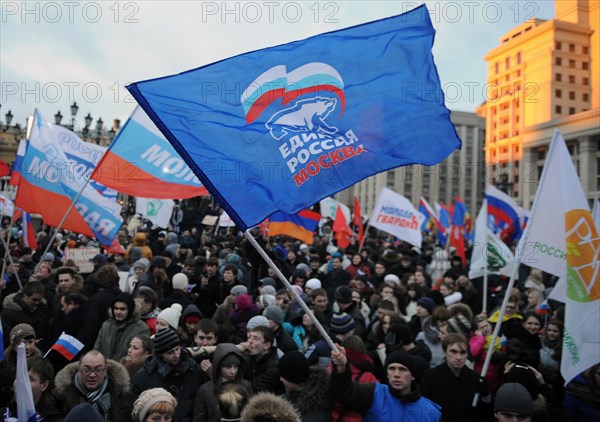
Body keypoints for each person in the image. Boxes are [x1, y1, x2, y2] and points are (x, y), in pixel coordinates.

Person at [330, 347, 441, 421]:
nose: (396, 374)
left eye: (403, 369)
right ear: (387, 373)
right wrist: (341, 367)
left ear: (413, 375)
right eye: (392, 368)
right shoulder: (374, 394)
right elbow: (345, 392)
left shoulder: (431, 412)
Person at [132, 328, 207, 422]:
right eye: (170, 352)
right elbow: (137, 413)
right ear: (160, 355)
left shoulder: (195, 372)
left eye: (177, 349)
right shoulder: (143, 378)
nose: (176, 355)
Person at [420, 333, 492, 422]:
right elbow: (424, 411)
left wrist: (486, 396)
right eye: (453, 351)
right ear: (444, 351)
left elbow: (486, 414)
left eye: (463, 352)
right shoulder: (430, 377)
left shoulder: (476, 379)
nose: (458, 357)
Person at [54, 349, 133, 421]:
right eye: (86, 369)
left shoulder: (121, 395)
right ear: (79, 369)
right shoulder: (60, 396)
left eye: (98, 369)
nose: (92, 375)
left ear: (105, 370)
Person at [193, 343, 253, 422]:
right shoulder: (205, 390)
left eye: (236, 366)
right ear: (219, 367)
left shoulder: (245, 386)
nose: (233, 371)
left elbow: (253, 415)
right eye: (228, 367)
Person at [278, 350, 333, 421]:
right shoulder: (294, 394)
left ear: (294, 380)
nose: (281, 379)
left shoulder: (314, 416)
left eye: (284, 377)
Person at [94, 292, 150, 360]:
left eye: (122, 309)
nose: (118, 312)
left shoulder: (141, 328)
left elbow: (141, 356)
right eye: (116, 308)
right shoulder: (106, 325)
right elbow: (97, 349)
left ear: (130, 310)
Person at [242, 326, 284, 394]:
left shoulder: (274, 367)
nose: (249, 341)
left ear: (266, 345)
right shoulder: (249, 357)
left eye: (255, 338)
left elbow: (253, 389)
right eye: (249, 337)